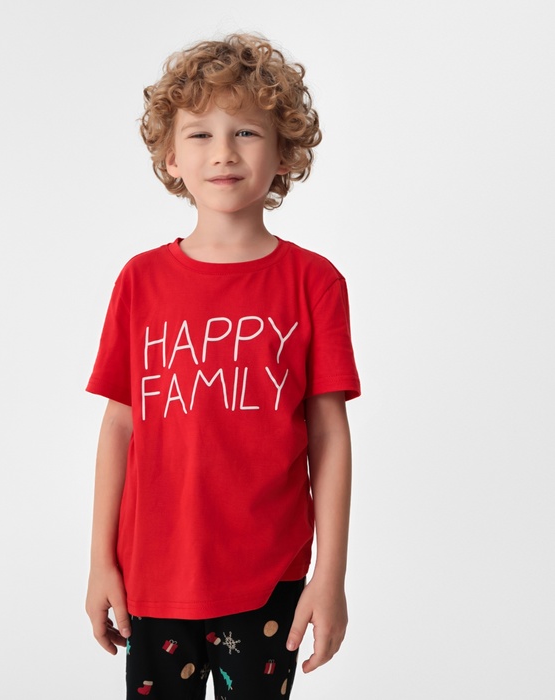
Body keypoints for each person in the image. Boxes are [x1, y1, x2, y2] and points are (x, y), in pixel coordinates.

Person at [84, 33, 361, 699]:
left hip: (269, 577)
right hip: (154, 575)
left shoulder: (314, 283)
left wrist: (331, 576)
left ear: (284, 151)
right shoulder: (140, 282)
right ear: (171, 157)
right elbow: (119, 426)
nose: (224, 152)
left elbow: (328, 435)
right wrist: (99, 561)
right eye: (200, 133)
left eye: (246, 131)